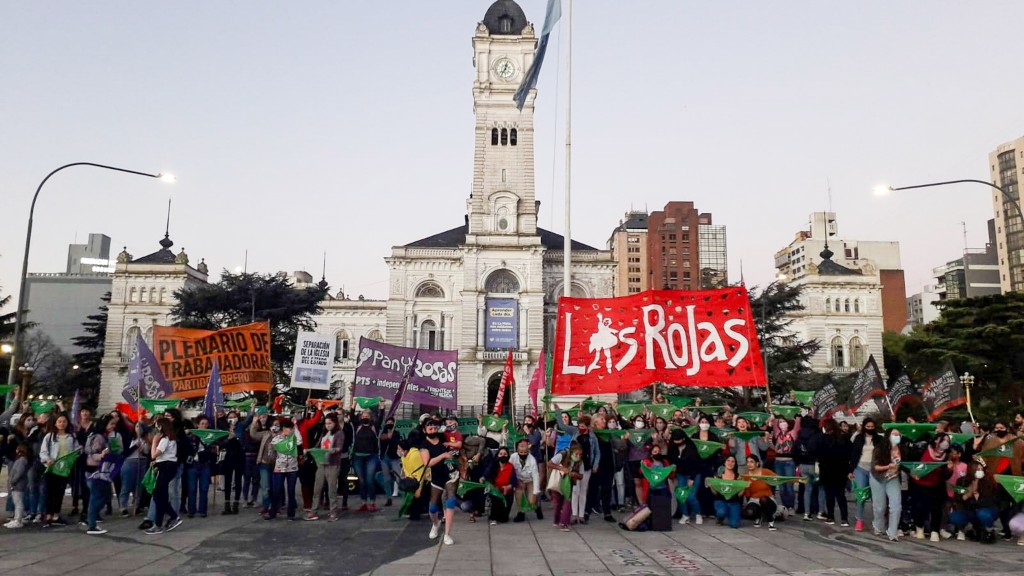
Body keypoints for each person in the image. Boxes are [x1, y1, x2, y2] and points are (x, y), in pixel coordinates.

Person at [421, 419, 458, 545]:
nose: (433, 430)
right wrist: (443, 456)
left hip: (450, 473)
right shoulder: (424, 445)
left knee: (451, 500)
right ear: (425, 430)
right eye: (430, 428)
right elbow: (428, 463)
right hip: (436, 476)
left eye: (435, 428)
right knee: (432, 507)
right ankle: (435, 523)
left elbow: (455, 441)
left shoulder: (443, 438)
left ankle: (447, 534)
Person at [39, 413, 79, 527]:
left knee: (59, 492)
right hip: (52, 468)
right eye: (59, 421)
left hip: (65, 468)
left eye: (64, 421)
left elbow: (77, 450)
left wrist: (76, 455)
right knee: (49, 492)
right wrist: (47, 460)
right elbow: (43, 451)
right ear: (55, 423)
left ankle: (56, 515)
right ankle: (48, 516)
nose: (62, 424)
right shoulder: (50, 436)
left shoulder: (71, 437)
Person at [949, 456, 1000, 542]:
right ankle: (970, 528)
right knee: (955, 517)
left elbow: (990, 501)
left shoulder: (988, 481)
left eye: (981, 469)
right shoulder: (962, 481)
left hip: (987, 510)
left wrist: (977, 496)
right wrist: (969, 493)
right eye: (978, 469)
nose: (981, 471)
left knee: (983, 513)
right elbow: (959, 499)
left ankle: (989, 530)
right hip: (970, 510)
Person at [910, 432, 949, 541]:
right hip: (919, 484)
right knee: (919, 507)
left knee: (936, 508)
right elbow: (911, 463)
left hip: (936, 485)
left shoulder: (947, 455)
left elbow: (945, 475)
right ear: (936, 440)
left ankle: (934, 531)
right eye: (943, 440)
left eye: (947, 441)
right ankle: (919, 528)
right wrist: (912, 473)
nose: (945, 443)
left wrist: (949, 469)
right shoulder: (923, 449)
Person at [83, 415, 119, 535]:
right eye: (111, 424)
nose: (113, 426)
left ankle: (90, 519)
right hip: (96, 471)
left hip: (99, 471)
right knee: (98, 497)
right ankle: (91, 523)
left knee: (104, 496)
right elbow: (92, 453)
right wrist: (102, 455)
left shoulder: (103, 436)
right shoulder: (98, 437)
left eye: (114, 424)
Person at [147, 417, 183, 535]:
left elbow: (154, 454)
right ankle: (165, 520)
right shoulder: (171, 439)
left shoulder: (165, 439)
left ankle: (165, 520)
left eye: (157, 426)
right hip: (167, 465)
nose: (156, 428)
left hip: (166, 467)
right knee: (160, 496)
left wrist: (154, 442)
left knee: (158, 495)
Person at [308, 413, 344, 521]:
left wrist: (333, 450)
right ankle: (313, 511)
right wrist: (311, 450)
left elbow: (339, 447)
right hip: (321, 463)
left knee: (331, 489)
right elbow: (318, 445)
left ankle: (333, 512)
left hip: (332, 464)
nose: (327, 425)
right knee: (317, 488)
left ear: (335, 423)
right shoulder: (324, 433)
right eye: (326, 423)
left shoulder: (339, 433)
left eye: (330, 423)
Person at [870, 428, 904, 541]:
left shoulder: (902, 448)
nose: (897, 436)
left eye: (898, 434)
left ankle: (893, 531)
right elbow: (875, 467)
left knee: (896, 505)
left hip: (893, 478)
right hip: (878, 477)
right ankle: (878, 525)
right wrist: (888, 466)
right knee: (880, 507)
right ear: (888, 435)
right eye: (894, 434)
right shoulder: (880, 448)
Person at [666, 428, 702, 525]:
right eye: (675, 440)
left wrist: (692, 478)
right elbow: (671, 462)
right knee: (680, 495)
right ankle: (685, 514)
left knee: (691, 496)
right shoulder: (672, 449)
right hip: (680, 474)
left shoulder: (691, 448)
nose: (677, 442)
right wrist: (673, 476)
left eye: (679, 440)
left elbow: (696, 464)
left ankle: (698, 513)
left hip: (693, 474)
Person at [848, 417, 878, 531]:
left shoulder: (878, 439)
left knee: (876, 496)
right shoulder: (859, 438)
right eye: (868, 427)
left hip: (875, 469)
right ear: (864, 427)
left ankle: (877, 522)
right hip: (860, 468)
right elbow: (853, 454)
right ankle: (859, 520)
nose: (870, 429)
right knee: (861, 496)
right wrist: (850, 471)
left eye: (872, 427)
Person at [819, 419, 850, 527]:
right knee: (841, 495)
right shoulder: (843, 438)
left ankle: (831, 516)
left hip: (827, 470)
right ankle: (844, 518)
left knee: (829, 495)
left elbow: (819, 454)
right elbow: (848, 454)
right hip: (841, 470)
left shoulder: (823, 439)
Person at [547, 441, 584, 532]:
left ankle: (564, 523)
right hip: (558, 481)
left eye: (580, 454)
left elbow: (581, 476)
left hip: (569, 483)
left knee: (567, 502)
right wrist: (562, 468)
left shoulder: (580, 462)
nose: (578, 456)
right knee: (558, 504)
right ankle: (557, 519)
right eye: (576, 454)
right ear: (572, 452)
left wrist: (575, 474)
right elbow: (549, 464)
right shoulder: (562, 454)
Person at [794, 415, 825, 520]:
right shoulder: (818, 435)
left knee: (807, 490)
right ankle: (820, 512)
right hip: (815, 465)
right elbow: (821, 450)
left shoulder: (799, 436)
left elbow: (794, 451)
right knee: (821, 488)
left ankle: (807, 513)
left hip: (802, 465)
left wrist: (797, 463)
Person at [268, 419, 300, 520]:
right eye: (288, 428)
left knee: (291, 491)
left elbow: (300, 441)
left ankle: (291, 514)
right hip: (279, 468)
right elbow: (271, 452)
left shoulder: (294, 438)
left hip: (292, 468)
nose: (290, 430)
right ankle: (272, 512)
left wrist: (296, 429)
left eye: (291, 428)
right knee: (276, 490)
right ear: (283, 429)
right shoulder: (276, 439)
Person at [351, 408, 381, 513]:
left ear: (371, 417)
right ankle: (363, 502)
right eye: (363, 416)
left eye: (367, 416)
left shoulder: (374, 427)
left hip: (371, 456)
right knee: (362, 481)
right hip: (358, 457)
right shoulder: (357, 427)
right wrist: (353, 404)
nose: (365, 417)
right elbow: (351, 416)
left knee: (369, 480)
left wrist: (382, 406)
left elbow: (381, 418)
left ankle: (372, 502)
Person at [187, 415, 216, 518]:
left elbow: (214, 450)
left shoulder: (210, 436)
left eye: (206, 424)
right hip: (193, 465)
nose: (204, 426)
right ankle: (191, 510)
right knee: (192, 489)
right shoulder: (191, 436)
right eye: (202, 424)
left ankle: (202, 510)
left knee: (204, 488)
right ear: (198, 425)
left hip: (205, 465)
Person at [587, 414, 614, 522]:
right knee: (593, 489)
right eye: (602, 419)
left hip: (608, 464)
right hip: (596, 465)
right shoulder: (592, 434)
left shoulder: (608, 433)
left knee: (607, 489)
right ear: (595, 422)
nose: (604, 421)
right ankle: (586, 511)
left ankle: (607, 512)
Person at [770, 415, 799, 513]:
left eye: (784, 421)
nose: (782, 423)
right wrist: (775, 413)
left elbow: (797, 425)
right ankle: (784, 506)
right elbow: (774, 421)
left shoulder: (792, 433)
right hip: (778, 461)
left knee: (789, 485)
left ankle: (790, 506)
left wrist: (797, 414)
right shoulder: (777, 434)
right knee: (781, 486)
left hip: (789, 461)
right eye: (781, 422)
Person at [743, 455, 778, 530]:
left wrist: (797, 480)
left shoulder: (765, 472)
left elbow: (779, 479)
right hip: (754, 500)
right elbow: (748, 495)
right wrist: (747, 487)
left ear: (757, 463)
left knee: (763, 499)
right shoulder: (745, 476)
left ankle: (771, 521)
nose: (749, 464)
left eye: (752, 462)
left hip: (768, 500)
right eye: (747, 462)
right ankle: (758, 517)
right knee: (749, 512)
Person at [711, 455, 742, 528]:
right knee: (721, 512)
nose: (730, 463)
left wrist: (744, 487)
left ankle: (730, 513)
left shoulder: (738, 477)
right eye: (728, 460)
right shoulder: (718, 476)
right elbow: (715, 493)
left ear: (735, 464)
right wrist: (711, 485)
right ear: (724, 462)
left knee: (734, 525)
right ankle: (720, 517)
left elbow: (739, 495)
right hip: (720, 500)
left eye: (732, 461)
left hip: (734, 502)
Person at [487, 446, 516, 524]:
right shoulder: (493, 465)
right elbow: (487, 475)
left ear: (508, 456)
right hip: (495, 490)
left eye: (505, 454)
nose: (503, 455)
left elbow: (514, 481)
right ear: (497, 455)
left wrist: (508, 487)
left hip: (507, 491)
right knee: (495, 501)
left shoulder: (511, 466)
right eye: (501, 454)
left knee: (504, 519)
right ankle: (493, 517)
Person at [4, 444, 29, 529]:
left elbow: (19, 472)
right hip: (17, 484)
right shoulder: (21, 460)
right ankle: (17, 518)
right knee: (17, 502)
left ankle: (18, 520)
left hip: (18, 484)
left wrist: (13, 481)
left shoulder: (21, 460)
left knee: (18, 502)